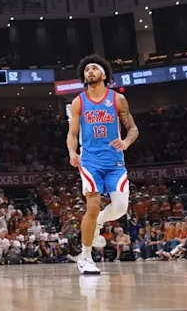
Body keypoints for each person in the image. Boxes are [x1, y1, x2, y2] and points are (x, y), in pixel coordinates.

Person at [66, 55, 139, 275]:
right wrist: (71, 152)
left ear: (104, 74)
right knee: (93, 204)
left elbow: (133, 129)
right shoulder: (79, 101)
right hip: (90, 161)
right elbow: (71, 133)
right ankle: (85, 257)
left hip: (115, 162)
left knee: (120, 208)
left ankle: (97, 223)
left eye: (94, 68)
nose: (89, 71)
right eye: (86, 69)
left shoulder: (117, 100)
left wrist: (126, 142)